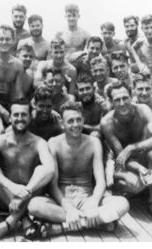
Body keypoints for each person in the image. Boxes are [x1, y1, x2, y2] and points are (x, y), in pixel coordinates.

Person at [27, 101, 129, 237]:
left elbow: (100, 181)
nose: (75, 125)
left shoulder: (93, 142)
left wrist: (93, 202)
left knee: (123, 203)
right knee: (34, 205)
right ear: (62, 124)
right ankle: (97, 223)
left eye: (78, 120)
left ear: (83, 120)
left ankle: (61, 228)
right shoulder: (54, 143)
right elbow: (52, 185)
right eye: (70, 121)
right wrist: (68, 208)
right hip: (62, 201)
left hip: (87, 198)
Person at [0, 99, 55, 241]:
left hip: (27, 196)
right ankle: (25, 219)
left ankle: (10, 222)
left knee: (41, 169)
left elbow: (50, 169)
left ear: (30, 117)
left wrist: (25, 193)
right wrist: (12, 187)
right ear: (9, 118)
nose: (20, 119)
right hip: (3, 196)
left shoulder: (39, 142)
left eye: (24, 115)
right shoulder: (0, 141)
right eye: (16, 115)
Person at [101, 82, 152, 222]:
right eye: (117, 100)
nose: (122, 103)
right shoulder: (107, 122)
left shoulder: (143, 110)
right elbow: (121, 156)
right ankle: (122, 191)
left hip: (139, 155)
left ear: (131, 96)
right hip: (122, 162)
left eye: (125, 98)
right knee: (136, 185)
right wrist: (141, 169)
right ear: (111, 102)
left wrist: (132, 147)